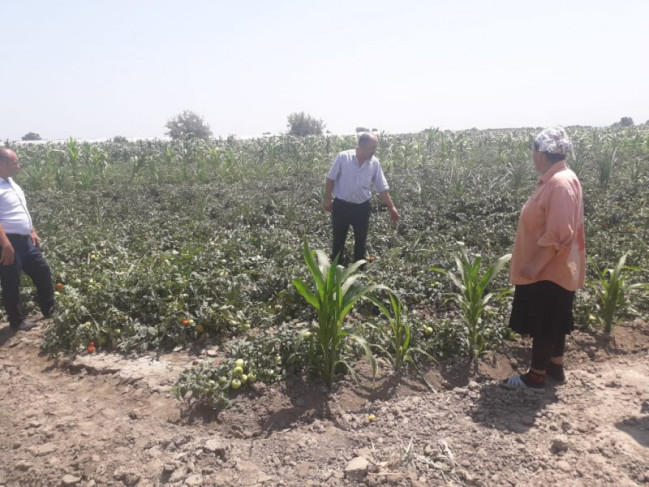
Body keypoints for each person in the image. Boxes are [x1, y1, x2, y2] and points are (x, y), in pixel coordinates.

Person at [502, 127, 585, 393]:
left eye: (533, 151)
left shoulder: (560, 183)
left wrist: (533, 267)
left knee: (545, 322)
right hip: (553, 268)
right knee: (555, 320)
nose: (532, 156)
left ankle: (536, 377)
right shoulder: (558, 179)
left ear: (540, 154)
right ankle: (555, 369)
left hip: (549, 269)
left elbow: (560, 233)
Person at [323, 133, 399, 266]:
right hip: (341, 206)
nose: (374, 150)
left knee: (361, 241)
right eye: (371, 147)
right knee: (338, 241)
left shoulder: (374, 163)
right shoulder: (343, 157)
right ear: (361, 146)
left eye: (375, 147)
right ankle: (335, 271)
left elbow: (382, 187)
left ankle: (359, 273)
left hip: (361, 208)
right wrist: (327, 199)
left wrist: (391, 207)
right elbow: (331, 178)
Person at [0, 148, 54, 331]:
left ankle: (49, 309)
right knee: (11, 282)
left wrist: (32, 230)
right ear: (2, 164)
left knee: (42, 270)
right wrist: (5, 244)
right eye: (15, 162)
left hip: (25, 241)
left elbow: (21, 209)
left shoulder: (12, 183)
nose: (18, 165)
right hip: (8, 242)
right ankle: (16, 320)